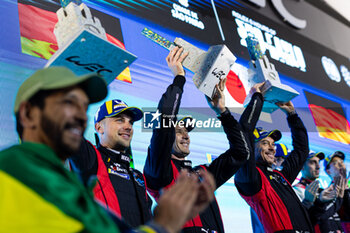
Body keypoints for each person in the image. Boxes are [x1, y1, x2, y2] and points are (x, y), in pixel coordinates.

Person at [0, 66, 216, 233]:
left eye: (84, 107)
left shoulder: (132, 178)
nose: (80, 115)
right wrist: (164, 224)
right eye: (69, 103)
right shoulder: (20, 168)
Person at [143, 47, 250, 233]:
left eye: (187, 131)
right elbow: (165, 119)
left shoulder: (203, 174)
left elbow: (241, 152)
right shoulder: (159, 171)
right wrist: (179, 78)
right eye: (178, 131)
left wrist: (222, 112)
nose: (185, 135)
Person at [234, 82, 314, 233]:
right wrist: (257, 99)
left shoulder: (279, 176)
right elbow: (244, 132)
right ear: (252, 147)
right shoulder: (250, 178)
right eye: (265, 143)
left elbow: (301, 150)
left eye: (273, 143)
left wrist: (292, 115)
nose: (272, 148)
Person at [70, 98, 153, 227]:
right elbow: (65, 125)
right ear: (99, 127)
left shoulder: (138, 176)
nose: (128, 127)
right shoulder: (92, 159)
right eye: (120, 120)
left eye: (130, 122)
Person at [250, 143, 289, 233]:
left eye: (284, 160)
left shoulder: (280, 181)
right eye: (280, 159)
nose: (283, 164)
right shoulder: (261, 180)